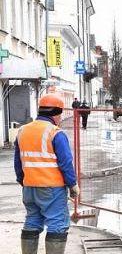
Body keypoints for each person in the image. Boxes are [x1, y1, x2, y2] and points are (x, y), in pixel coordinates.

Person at [14, 93, 78, 254]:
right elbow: (66, 163)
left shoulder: (22, 131)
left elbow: (18, 162)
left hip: (29, 188)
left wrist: (24, 181)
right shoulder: (56, 133)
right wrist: (73, 185)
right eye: (60, 114)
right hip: (52, 189)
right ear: (56, 114)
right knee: (57, 224)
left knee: (32, 221)